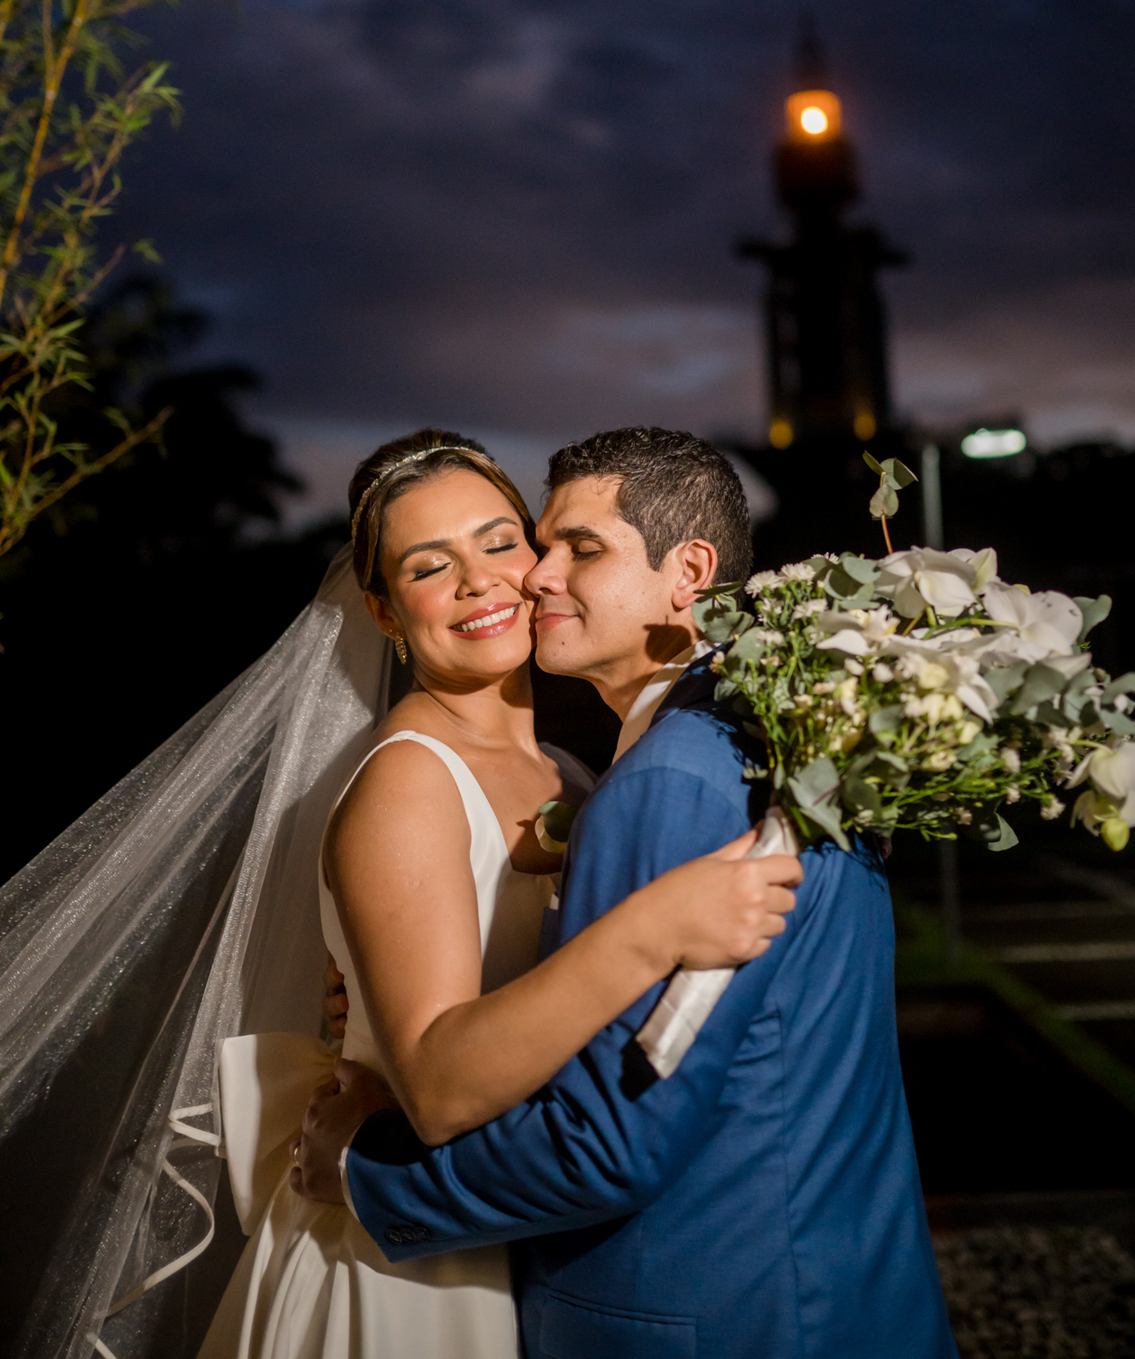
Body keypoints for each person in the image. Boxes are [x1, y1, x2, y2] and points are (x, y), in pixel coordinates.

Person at [294, 426, 958, 1359]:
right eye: (429, 565)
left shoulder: (635, 779)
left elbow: (611, 1134)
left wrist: (368, 1172)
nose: (520, 579)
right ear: (384, 611)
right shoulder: (774, 736)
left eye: (521, 543)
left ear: (689, 570)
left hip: (726, 1303)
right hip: (808, 1285)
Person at [197, 430, 801, 1359]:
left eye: (500, 541)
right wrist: (655, 927)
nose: (480, 582)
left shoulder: (566, 769)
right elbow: (436, 1090)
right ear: (386, 612)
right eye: (429, 566)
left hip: (514, 1228)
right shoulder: (407, 784)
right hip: (408, 1278)